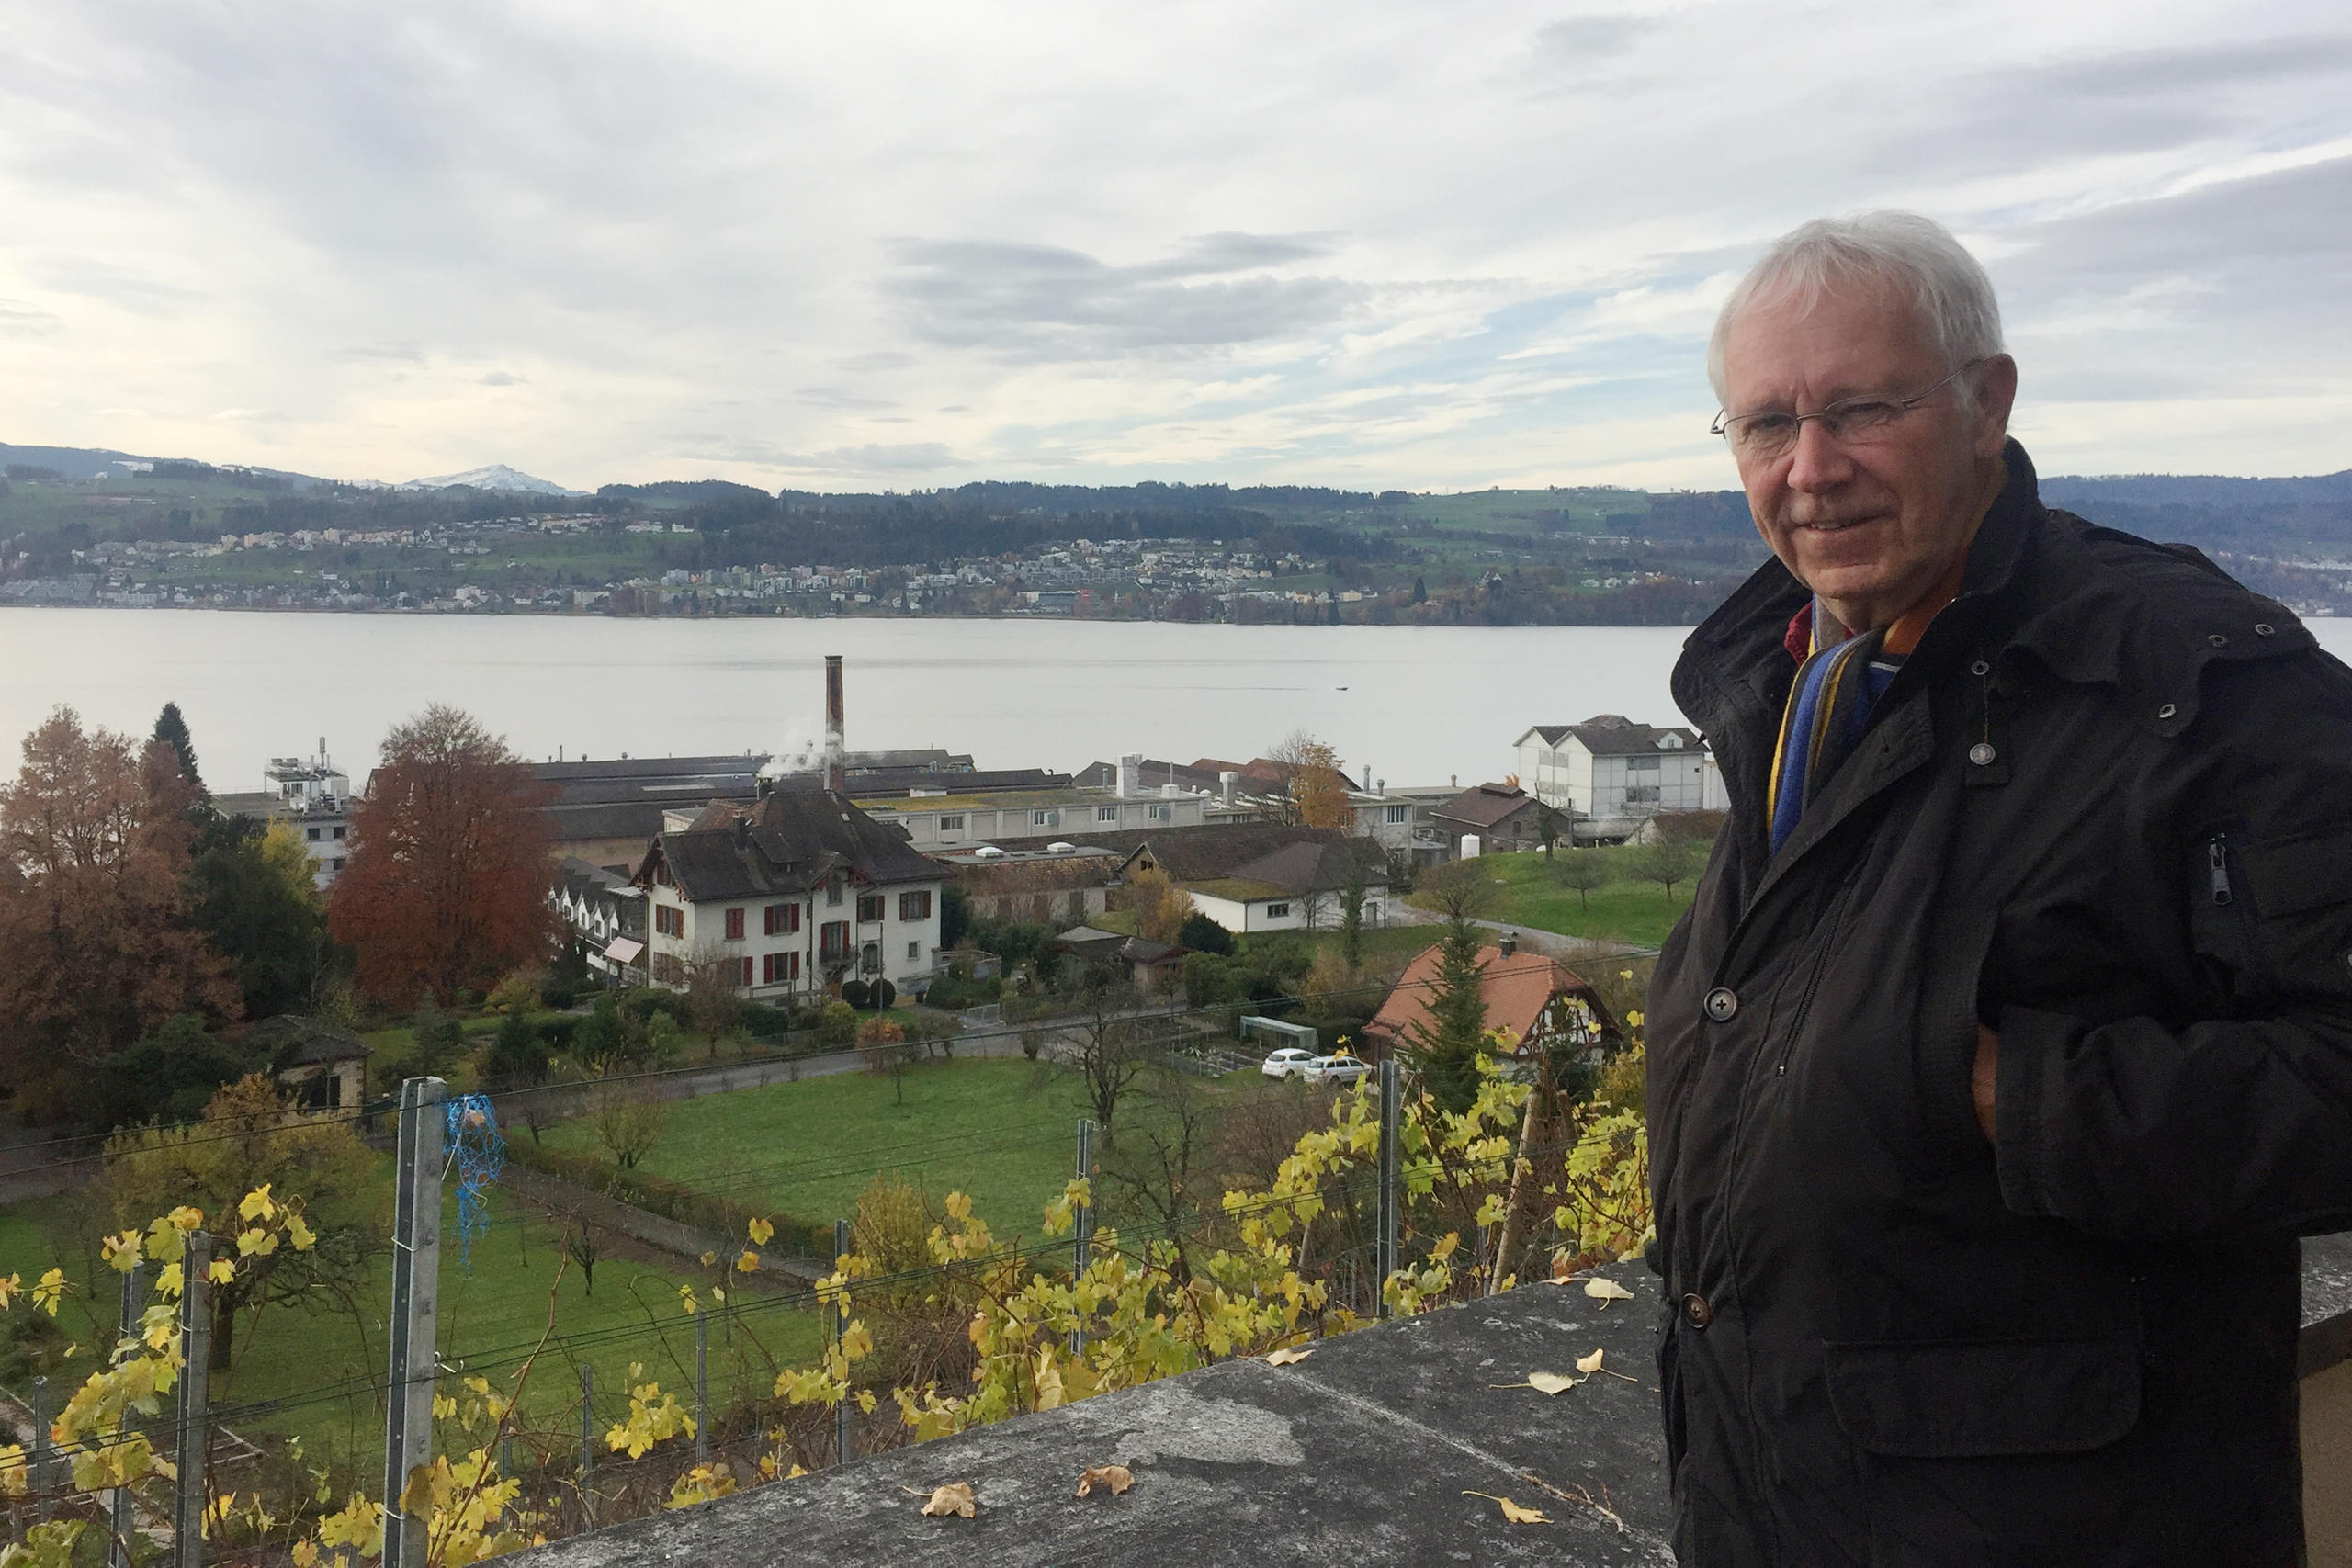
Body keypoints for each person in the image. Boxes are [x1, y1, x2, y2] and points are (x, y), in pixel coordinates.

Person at [1647, 210, 2352, 1565]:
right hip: (1780, 1499)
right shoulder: (1798, 676)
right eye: (1765, 424)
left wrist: (2006, 1091)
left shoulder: (2193, 682)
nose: (1811, 469)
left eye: (1863, 407)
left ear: (1989, 403)